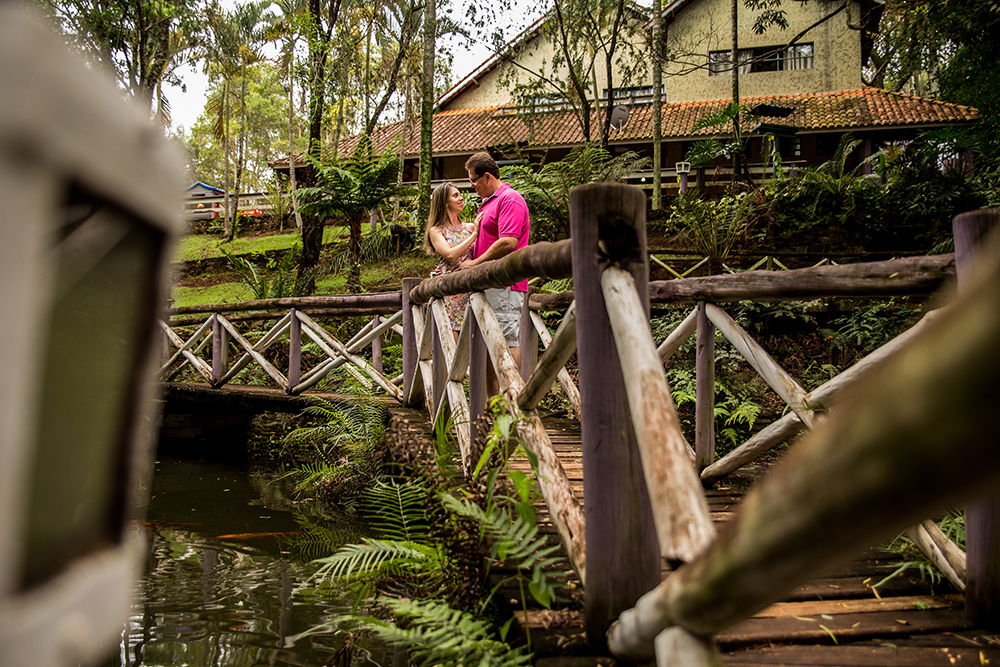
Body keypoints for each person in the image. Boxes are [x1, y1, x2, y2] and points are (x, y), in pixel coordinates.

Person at [459, 152, 531, 397]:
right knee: (492, 343)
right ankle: (494, 405)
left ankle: (511, 403)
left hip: (504, 284)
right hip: (488, 284)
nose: (472, 185)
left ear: (487, 176)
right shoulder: (489, 202)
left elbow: (508, 241)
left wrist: (476, 263)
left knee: (506, 342)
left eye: (474, 180)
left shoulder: (510, 199)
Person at [423, 181, 479, 334]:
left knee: (474, 339)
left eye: (460, 195)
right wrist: (474, 235)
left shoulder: (470, 227)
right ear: (445, 202)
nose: (461, 198)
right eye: (455, 196)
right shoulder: (436, 231)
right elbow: (450, 255)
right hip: (450, 293)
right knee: (453, 343)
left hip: (472, 288)